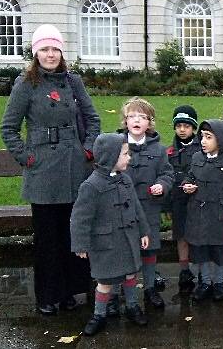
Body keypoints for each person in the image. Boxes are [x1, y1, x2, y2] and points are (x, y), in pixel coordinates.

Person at [1, 24, 101, 315]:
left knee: (73, 232)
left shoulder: (73, 82)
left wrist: (88, 149)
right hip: (43, 171)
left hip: (73, 167)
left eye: (55, 48)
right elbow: (8, 128)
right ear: (35, 53)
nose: (50, 54)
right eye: (44, 49)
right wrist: (27, 157)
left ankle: (70, 291)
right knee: (48, 238)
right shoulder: (25, 84)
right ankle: (48, 295)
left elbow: (92, 119)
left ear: (61, 51)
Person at [70, 133, 149, 336]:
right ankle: (99, 315)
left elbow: (136, 207)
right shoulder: (91, 186)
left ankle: (132, 306)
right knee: (105, 282)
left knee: (131, 275)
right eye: (125, 154)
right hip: (105, 243)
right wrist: (80, 244)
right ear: (110, 157)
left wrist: (144, 231)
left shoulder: (126, 180)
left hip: (128, 238)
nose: (129, 157)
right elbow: (80, 218)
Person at [181, 119, 223, 302]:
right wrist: (187, 185)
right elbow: (190, 176)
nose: (203, 141)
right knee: (200, 250)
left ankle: (219, 282)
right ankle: (205, 282)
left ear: (221, 139)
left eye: (208, 137)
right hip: (198, 213)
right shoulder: (196, 158)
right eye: (202, 137)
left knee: (220, 250)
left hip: (219, 215)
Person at [120, 97, 174, 309]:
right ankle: (125, 293)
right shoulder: (118, 146)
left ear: (149, 123)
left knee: (149, 250)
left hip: (149, 207)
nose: (137, 121)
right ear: (125, 120)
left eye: (142, 117)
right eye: (132, 116)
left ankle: (150, 288)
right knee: (126, 251)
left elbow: (167, 174)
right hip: (123, 209)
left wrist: (162, 185)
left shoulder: (158, 149)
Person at [165, 105, 201, 292]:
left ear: (193, 128)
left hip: (198, 200)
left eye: (186, 126)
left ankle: (202, 269)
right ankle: (184, 269)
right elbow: (166, 177)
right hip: (178, 200)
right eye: (179, 125)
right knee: (181, 236)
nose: (182, 129)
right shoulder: (170, 151)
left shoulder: (201, 148)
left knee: (200, 235)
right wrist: (167, 206)